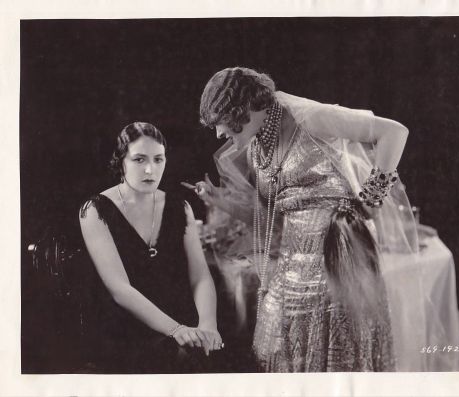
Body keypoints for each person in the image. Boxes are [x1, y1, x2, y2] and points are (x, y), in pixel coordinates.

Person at [188, 66, 419, 372]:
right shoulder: (257, 148)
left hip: (337, 265)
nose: (219, 134)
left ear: (243, 108)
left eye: (221, 122)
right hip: (291, 271)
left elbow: (393, 132)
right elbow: (272, 221)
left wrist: (370, 202)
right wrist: (223, 202)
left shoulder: (306, 117)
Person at [79, 122, 222, 373]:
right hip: (125, 326)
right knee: (177, 358)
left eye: (158, 159)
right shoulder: (95, 210)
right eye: (139, 160)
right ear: (121, 162)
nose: (150, 169)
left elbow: (199, 275)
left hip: (180, 320)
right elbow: (119, 289)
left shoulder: (180, 207)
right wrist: (176, 330)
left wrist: (208, 324)